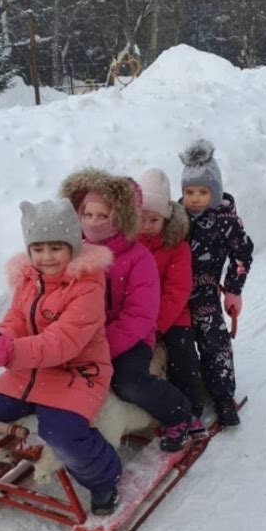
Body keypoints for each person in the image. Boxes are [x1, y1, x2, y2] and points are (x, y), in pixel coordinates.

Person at [0, 198, 122, 516]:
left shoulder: (87, 287)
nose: (46, 257)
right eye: (38, 249)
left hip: (76, 373)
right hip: (28, 370)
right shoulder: (28, 279)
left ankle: (105, 477)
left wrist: (6, 352)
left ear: (73, 246)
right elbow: (14, 322)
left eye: (56, 247)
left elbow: (60, 344)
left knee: (62, 433)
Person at [60, 169, 192, 451]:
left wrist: (103, 346)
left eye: (102, 216)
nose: (93, 222)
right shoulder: (77, 251)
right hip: (85, 335)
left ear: (118, 217)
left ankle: (177, 410)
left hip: (129, 340)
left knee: (127, 383)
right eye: (87, 214)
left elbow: (139, 316)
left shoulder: (137, 258)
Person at [179, 139, 254, 426]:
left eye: (202, 191)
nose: (195, 198)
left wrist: (233, 290)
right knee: (180, 347)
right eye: (189, 192)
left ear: (215, 190)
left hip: (206, 293)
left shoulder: (226, 221)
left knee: (214, 344)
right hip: (175, 294)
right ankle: (185, 397)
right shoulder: (177, 218)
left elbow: (242, 254)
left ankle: (223, 396)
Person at [137, 168, 207, 439]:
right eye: (141, 219)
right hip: (138, 316)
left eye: (153, 219)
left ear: (165, 218)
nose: (147, 226)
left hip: (173, 316)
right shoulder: (131, 244)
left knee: (182, 357)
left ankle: (191, 410)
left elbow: (178, 291)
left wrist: (156, 326)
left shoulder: (177, 247)